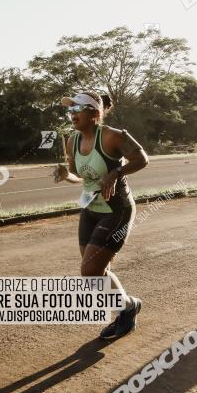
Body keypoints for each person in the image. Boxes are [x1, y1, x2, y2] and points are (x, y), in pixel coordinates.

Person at [53, 91, 149, 339]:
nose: (71, 115)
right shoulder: (72, 142)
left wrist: (116, 171)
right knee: (95, 272)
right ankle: (128, 308)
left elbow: (142, 159)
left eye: (77, 109)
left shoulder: (112, 137)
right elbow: (81, 177)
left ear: (94, 113)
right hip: (90, 209)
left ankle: (126, 311)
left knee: (89, 270)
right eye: (69, 110)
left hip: (116, 209)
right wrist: (66, 176)